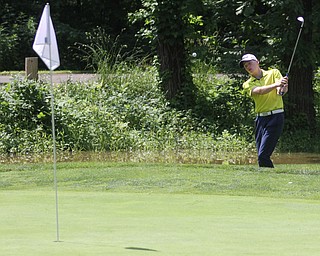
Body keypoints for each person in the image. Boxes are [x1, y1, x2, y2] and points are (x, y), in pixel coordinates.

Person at [239, 53, 288, 168]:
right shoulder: (247, 84)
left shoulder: (274, 72)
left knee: (263, 155)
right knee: (261, 154)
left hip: (276, 117)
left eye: (250, 63)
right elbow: (259, 91)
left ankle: (271, 178)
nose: (248, 67)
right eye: (246, 66)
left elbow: (281, 90)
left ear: (257, 62)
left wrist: (283, 87)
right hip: (261, 119)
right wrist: (277, 84)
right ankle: (267, 177)